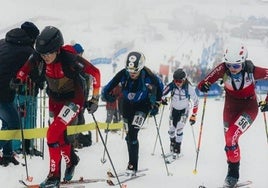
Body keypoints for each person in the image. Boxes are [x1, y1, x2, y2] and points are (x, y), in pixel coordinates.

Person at [14, 26, 101, 187]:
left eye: (48, 53)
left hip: (73, 101)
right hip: (54, 100)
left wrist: (95, 98)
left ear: (57, 50)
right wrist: (19, 78)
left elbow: (95, 72)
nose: (45, 57)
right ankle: (71, 161)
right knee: (59, 137)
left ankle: (54, 176)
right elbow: (27, 67)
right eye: (42, 54)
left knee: (52, 134)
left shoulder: (70, 58)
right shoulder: (39, 55)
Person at [197, 43, 268, 188]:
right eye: (229, 65)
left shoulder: (252, 71)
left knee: (231, 136)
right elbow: (202, 83)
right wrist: (204, 85)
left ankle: (232, 176)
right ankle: (231, 173)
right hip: (229, 108)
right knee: (229, 142)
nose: (232, 69)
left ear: (243, 61)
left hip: (249, 107)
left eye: (236, 66)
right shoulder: (222, 69)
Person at [101, 51, 163, 175]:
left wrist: (156, 103)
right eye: (130, 70)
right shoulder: (123, 74)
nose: (132, 73)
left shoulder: (148, 75)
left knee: (133, 133)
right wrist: (107, 96)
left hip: (142, 105)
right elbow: (106, 88)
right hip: (127, 106)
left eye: (135, 70)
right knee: (129, 136)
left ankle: (132, 165)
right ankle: (131, 163)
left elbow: (160, 86)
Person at [0, 21, 39, 166]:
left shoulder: (3, 42)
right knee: (14, 125)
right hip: (2, 93)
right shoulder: (28, 52)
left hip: (6, 92)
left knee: (7, 122)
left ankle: (8, 154)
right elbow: (35, 74)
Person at [12, 22, 44, 157]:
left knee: (28, 119)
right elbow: (32, 71)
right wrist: (39, 80)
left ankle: (27, 145)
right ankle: (19, 146)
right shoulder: (27, 50)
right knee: (24, 119)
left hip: (27, 91)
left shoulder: (17, 47)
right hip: (24, 90)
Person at [161, 68, 199, 159]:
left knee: (179, 129)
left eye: (180, 81)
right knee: (171, 130)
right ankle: (172, 144)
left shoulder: (189, 88)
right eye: (175, 80)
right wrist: (163, 99)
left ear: (184, 79)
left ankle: (177, 148)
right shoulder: (172, 85)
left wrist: (194, 115)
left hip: (184, 110)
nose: (177, 83)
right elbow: (162, 93)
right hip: (173, 109)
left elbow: (196, 101)